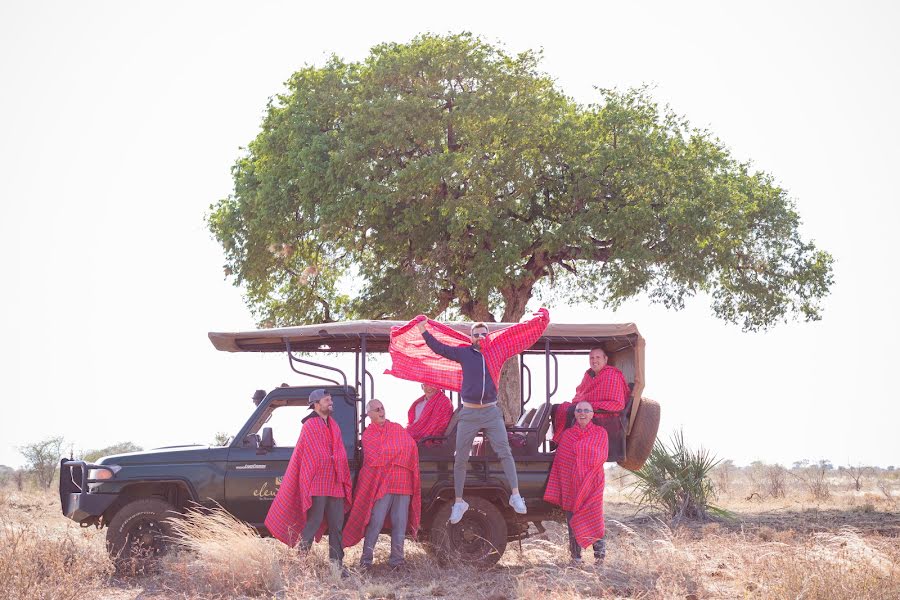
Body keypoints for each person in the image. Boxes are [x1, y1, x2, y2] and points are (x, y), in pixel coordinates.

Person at [415, 308, 550, 524]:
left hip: (490, 411)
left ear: (488, 335)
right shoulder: (463, 353)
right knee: (460, 459)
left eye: (483, 333)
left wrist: (540, 322)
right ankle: (459, 502)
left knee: (505, 452)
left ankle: (516, 495)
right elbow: (439, 348)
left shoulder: (498, 350)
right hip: (468, 413)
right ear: (471, 338)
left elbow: (521, 338)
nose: (480, 337)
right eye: (476, 334)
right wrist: (423, 329)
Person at [264, 389, 353, 575]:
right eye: (326, 400)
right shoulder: (310, 425)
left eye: (331, 400)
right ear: (316, 404)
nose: (331, 402)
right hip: (318, 483)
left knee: (337, 525)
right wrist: (329, 458)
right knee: (313, 523)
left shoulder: (334, 425)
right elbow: (311, 456)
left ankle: (337, 566)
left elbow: (338, 451)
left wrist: (336, 461)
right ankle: (301, 564)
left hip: (335, 483)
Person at [343, 399, 421, 570]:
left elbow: (410, 446)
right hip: (383, 485)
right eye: (376, 409)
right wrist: (396, 454)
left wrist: (390, 453)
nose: (381, 411)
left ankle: (397, 562)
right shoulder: (369, 434)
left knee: (400, 523)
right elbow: (374, 457)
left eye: (382, 407)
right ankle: (366, 561)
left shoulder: (396, 428)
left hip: (403, 482)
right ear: (369, 414)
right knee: (375, 522)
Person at [544, 400, 609, 566]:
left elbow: (600, 455)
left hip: (592, 484)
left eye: (587, 410)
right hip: (571, 486)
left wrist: (580, 449)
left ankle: (599, 557)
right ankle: (576, 558)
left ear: (592, 414)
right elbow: (562, 462)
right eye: (579, 410)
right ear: (574, 414)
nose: (582, 413)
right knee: (572, 521)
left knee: (595, 518)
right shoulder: (568, 435)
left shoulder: (600, 433)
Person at [552, 347, 628, 444]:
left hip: (606, 413)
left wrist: (590, 405)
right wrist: (583, 403)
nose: (594, 360)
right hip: (589, 406)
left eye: (598, 357)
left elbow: (617, 404)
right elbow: (582, 392)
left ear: (605, 359)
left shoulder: (612, 375)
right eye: (591, 358)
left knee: (572, 410)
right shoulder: (589, 374)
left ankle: (564, 443)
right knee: (556, 408)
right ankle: (556, 442)